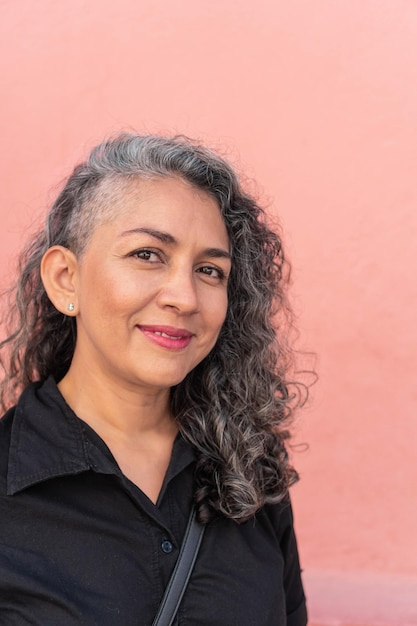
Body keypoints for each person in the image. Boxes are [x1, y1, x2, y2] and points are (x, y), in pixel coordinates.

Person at [0, 133, 308, 625]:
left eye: (210, 270)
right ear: (65, 279)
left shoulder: (249, 475)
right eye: (147, 254)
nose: (185, 297)